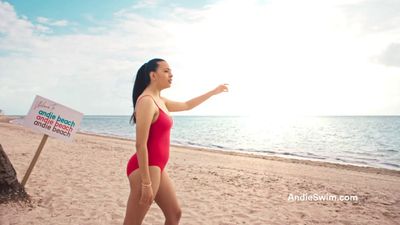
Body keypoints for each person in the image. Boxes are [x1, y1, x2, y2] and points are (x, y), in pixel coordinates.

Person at [123, 58, 228, 225]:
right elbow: (140, 145)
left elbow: (187, 105)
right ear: (153, 75)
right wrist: (146, 183)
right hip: (146, 168)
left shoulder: (160, 100)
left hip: (157, 167)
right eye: (166, 71)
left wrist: (213, 92)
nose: (171, 75)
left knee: (174, 214)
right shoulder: (146, 102)